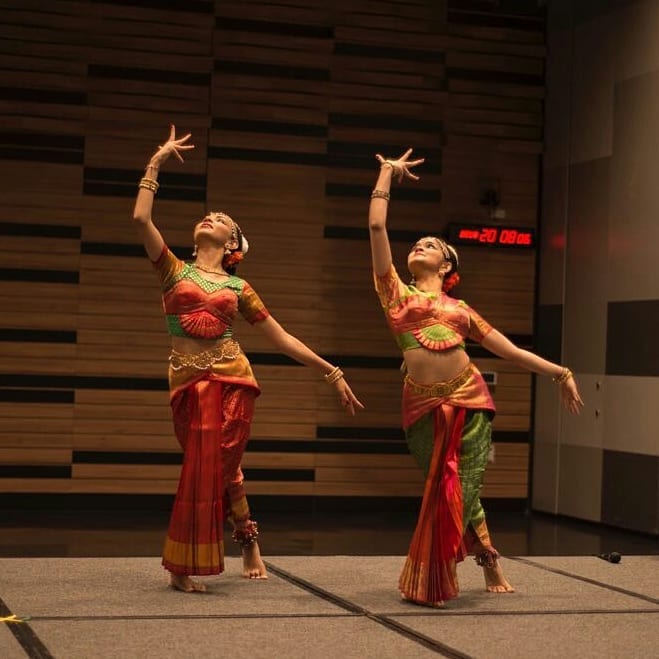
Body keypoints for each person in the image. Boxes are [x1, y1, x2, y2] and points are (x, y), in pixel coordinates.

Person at [132, 125, 363, 593]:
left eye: (221, 218)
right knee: (217, 468)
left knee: (208, 467)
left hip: (232, 380)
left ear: (233, 245)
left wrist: (331, 371)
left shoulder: (239, 288)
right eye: (208, 215)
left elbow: (281, 338)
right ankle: (249, 539)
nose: (211, 217)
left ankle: (184, 563)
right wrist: (155, 164)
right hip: (184, 383)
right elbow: (141, 221)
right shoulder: (172, 269)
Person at [368, 148, 584, 607]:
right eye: (416, 245)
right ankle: (487, 556)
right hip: (421, 405)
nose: (418, 247)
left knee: (462, 488)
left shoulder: (461, 311)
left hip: (470, 400)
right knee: (441, 485)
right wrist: (386, 173)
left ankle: (444, 569)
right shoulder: (393, 295)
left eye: (430, 246)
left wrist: (561, 372)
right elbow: (376, 227)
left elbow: (511, 351)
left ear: (446, 267)